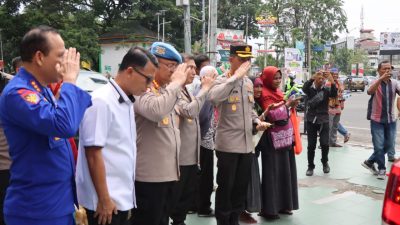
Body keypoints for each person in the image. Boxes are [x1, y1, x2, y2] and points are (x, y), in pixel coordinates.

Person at [0, 25, 92, 225]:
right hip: (36, 210)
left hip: (58, 202)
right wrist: (69, 80)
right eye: (60, 56)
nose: (65, 62)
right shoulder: (19, 93)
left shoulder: (43, 90)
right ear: (40, 57)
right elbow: (64, 126)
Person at [76, 47, 158, 225]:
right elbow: (93, 153)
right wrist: (104, 199)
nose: (150, 86)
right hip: (103, 204)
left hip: (119, 200)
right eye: (148, 79)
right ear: (130, 71)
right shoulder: (102, 101)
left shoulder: (126, 101)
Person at [208, 44, 269, 225]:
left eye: (247, 60)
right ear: (231, 59)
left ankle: (234, 221)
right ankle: (223, 222)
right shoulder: (221, 80)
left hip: (246, 146)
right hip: (228, 145)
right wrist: (235, 78)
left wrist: (257, 122)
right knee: (226, 188)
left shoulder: (248, 83)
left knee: (240, 189)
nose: (245, 64)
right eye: (241, 60)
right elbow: (214, 98)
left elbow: (249, 111)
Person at [131, 42, 188, 225]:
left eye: (175, 66)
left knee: (162, 219)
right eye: (169, 65)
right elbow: (156, 111)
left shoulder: (164, 90)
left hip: (167, 173)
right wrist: (177, 83)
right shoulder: (143, 89)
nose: (173, 71)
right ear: (154, 65)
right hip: (149, 176)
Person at [169, 54, 215, 225]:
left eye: (195, 68)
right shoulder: (174, 90)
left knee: (185, 199)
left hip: (190, 156)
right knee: (174, 199)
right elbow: (189, 111)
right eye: (190, 67)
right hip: (179, 157)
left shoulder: (186, 90)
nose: (194, 72)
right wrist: (204, 90)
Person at [255, 66, 299, 220]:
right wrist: (287, 105)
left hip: (285, 139)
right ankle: (270, 209)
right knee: (272, 173)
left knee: (286, 172)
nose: (278, 81)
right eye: (275, 78)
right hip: (271, 140)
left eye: (279, 78)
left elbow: (284, 113)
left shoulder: (278, 92)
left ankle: (285, 205)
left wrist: (291, 105)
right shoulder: (264, 94)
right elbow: (272, 115)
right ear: (267, 78)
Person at [362, 61, 400, 179]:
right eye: (384, 69)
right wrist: (380, 79)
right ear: (379, 71)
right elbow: (369, 91)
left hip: (391, 119)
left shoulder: (394, 83)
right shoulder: (375, 82)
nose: (387, 71)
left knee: (389, 145)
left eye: (389, 69)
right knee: (379, 146)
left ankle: (369, 161)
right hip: (376, 120)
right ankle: (382, 169)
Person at [303, 71, 337, 176]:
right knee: (311, 145)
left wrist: (331, 80)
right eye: (319, 78)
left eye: (323, 78)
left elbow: (334, 94)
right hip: (311, 120)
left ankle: (325, 162)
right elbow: (304, 89)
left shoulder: (326, 90)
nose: (321, 80)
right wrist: (312, 78)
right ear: (315, 79)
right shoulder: (310, 90)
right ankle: (310, 166)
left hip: (324, 120)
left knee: (325, 144)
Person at [239, 77, 264, 224]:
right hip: (243, 146)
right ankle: (240, 210)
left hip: (254, 145)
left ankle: (246, 209)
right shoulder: (246, 103)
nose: (258, 90)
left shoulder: (256, 103)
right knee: (244, 178)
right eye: (256, 87)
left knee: (251, 176)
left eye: (261, 86)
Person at [197, 66, 218, 217]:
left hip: (205, 139)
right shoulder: (203, 92)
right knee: (205, 177)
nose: (216, 80)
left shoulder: (202, 90)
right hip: (204, 140)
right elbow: (203, 116)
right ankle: (203, 207)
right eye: (214, 76)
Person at [328, 68, 345, 148]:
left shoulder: (339, 83)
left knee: (335, 125)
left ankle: (333, 142)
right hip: (330, 107)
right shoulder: (328, 83)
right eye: (333, 74)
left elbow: (342, 95)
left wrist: (342, 103)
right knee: (328, 126)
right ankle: (325, 143)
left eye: (336, 74)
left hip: (337, 106)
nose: (335, 75)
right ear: (330, 75)